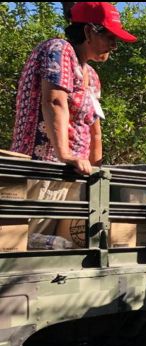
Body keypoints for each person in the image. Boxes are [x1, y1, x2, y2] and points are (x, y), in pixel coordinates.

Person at [11, 2, 136, 241]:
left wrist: (96, 172)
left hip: (72, 173)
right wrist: (65, 155)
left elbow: (94, 128)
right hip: (44, 169)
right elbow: (54, 101)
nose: (114, 45)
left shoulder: (91, 75)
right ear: (89, 31)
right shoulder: (58, 49)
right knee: (27, 245)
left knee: (63, 250)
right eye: (110, 36)